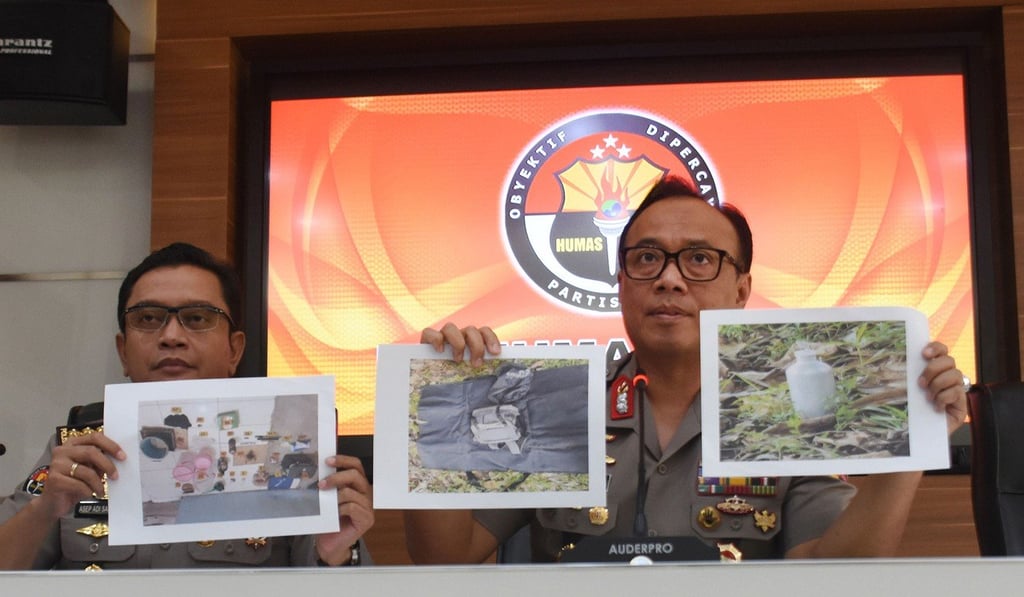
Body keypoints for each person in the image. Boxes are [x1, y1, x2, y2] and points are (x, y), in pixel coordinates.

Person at [405, 174, 968, 563]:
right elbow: (443, 557)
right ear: (620, 285)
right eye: (646, 258)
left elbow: (837, 573)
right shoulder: (556, 402)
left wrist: (910, 445)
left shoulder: (785, 408)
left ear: (742, 288)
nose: (669, 279)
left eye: (699, 259)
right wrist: (454, 401)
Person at [0, 242, 373, 569]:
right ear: (123, 353)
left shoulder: (288, 448)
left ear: (234, 350)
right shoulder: (79, 450)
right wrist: (42, 512)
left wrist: (338, 554)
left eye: (197, 318)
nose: (171, 336)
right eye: (148, 319)